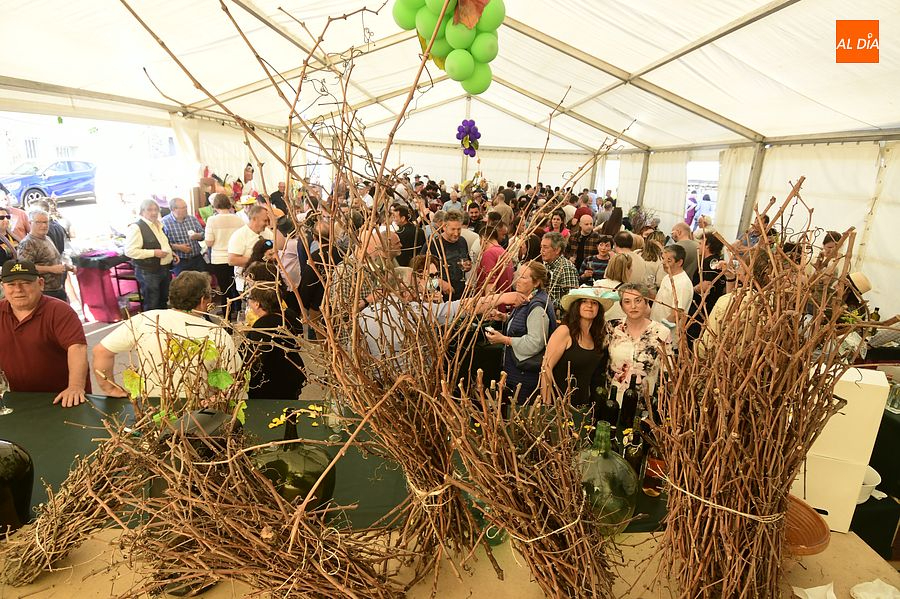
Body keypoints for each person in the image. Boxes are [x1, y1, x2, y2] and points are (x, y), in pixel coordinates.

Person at [93, 271, 241, 398]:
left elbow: (101, 351)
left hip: (152, 405)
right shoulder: (216, 333)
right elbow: (234, 381)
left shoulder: (144, 319)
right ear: (204, 300)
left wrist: (109, 388)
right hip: (200, 410)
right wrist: (211, 401)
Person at [0, 259, 89, 406]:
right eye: (11, 284)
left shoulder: (60, 311)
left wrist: (75, 387)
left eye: (26, 283)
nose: (18, 290)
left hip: (62, 398)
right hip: (17, 399)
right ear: (3, 287)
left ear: (40, 283)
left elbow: (77, 348)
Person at [484, 261, 556, 401]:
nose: (517, 279)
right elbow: (524, 325)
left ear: (536, 283)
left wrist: (504, 339)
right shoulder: (527, 299)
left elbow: (534, 343)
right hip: (517, 374)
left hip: (524, 379)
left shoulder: (537, 307)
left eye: (523, 277)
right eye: (517, 274)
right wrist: (504, 317)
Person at [542, 286, 612, 408]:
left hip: (582, 405)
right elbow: (546, 369)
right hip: (558, 404)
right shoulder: (564, 331)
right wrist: (547, 404)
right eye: (584, 301)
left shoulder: (597, 336)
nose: (589, 306)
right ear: (576, 306)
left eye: (594, 303)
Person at [607, 283, 672, 407]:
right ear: (621, 306)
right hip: (613, 401)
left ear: (646, 302)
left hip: (644, 404)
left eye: (638, 301)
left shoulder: (661, 332)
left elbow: (668, 372)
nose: (633, 306)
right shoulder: (612, 328)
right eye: (627, 301)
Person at [244, 285, 306, 400]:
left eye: (249, 300)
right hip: (292, 372)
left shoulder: (263, 325)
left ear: (257, 303)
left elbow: (253, 357)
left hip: (271, 382)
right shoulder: (289, 314)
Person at [124, 199, 175, 311]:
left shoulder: (158, 225)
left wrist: (172, 253)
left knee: (163, 301)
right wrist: (154, 253)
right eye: (149, 210)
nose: (154, 212)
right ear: (142, 212)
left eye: (156, 209)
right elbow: (129, 251)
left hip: (164, 269)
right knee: (152, 303)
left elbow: (163, 243)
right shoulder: (136, 227)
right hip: (148, 271)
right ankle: (151, 328)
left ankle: (161, 327)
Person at [16, 208, 73, 303]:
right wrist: (51, 269)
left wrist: (67, 267)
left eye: (46, 222)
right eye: (39, 222)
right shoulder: (27, 243)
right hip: (43, 292)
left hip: (58, 288)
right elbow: (24, 268)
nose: (44, 225)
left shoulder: (47, 238)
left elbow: (53, 260)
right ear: (30, 223)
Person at [204, 193, 245, 312]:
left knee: (224, 288)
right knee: (235, 285)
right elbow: (243, 238)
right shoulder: (238, 219)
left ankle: (227, 313)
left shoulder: (212, 220)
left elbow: (209, 242)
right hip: (236, 257)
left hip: (219, 258)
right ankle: (238, 310)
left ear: (215, 205)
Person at [687, 232, 726, 343]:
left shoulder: (710, 263)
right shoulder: (715, 261)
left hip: (702, 309)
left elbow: (706, 286)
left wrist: (693, 289)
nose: (698, 246)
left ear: (707, 245)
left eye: (700, 243)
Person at [227, 205, 275, 294]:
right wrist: (259, 260)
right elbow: (232, 260)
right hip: (248, 284)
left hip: (267, 282)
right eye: (265, 220)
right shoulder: (239, 235)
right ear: (254, 219)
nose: (267, 223)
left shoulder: (268, 233)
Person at [650, 245, 694, 338]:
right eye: (663, 259)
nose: (664, 263)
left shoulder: (682, 283)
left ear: (679, 262)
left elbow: (676, 314)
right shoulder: (667, 276)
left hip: (667, 337)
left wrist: (659, 332)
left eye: (669, 260)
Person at [427, 209, 471, 298]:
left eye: (459, 229)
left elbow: (467, 260)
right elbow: (421, 270)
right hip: (441, 297)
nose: (456, 233)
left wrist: (468, 266)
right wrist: (440, 282)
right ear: (444, 227)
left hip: (460, 293)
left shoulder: (462, 241)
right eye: (453, 229)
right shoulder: (434, 244)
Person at [162, 197, 207, 275]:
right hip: (180, 261)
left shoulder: (192, 219)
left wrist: (198, 236)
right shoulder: (164, 223)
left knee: (202, 283)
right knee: (183, 285)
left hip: (197, 259)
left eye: (186, 207)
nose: (186, 209)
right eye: (183, 208)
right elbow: (163, 244)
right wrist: (179, 247)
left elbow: (203, 234)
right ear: (173, 209)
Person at [540, 232, 578, 313]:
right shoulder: (546, 265)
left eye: (545, 247)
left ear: (557, 250)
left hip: (560, 319)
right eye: (541, 247)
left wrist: (545, 300)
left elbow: (572, 301)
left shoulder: (566, 268)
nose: (541, 251)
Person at [592, 252, 631, 323]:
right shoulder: (629, 289)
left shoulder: (598, 284)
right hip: (621, 326)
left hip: (601, 324)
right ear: (626, 270)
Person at [476, 226, 514, 293]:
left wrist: (487, 302)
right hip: (503, 297)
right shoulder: (504, 252)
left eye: (480, 240)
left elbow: (490, 282)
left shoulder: (489, 254)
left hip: (493, 300)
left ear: (483, 239)